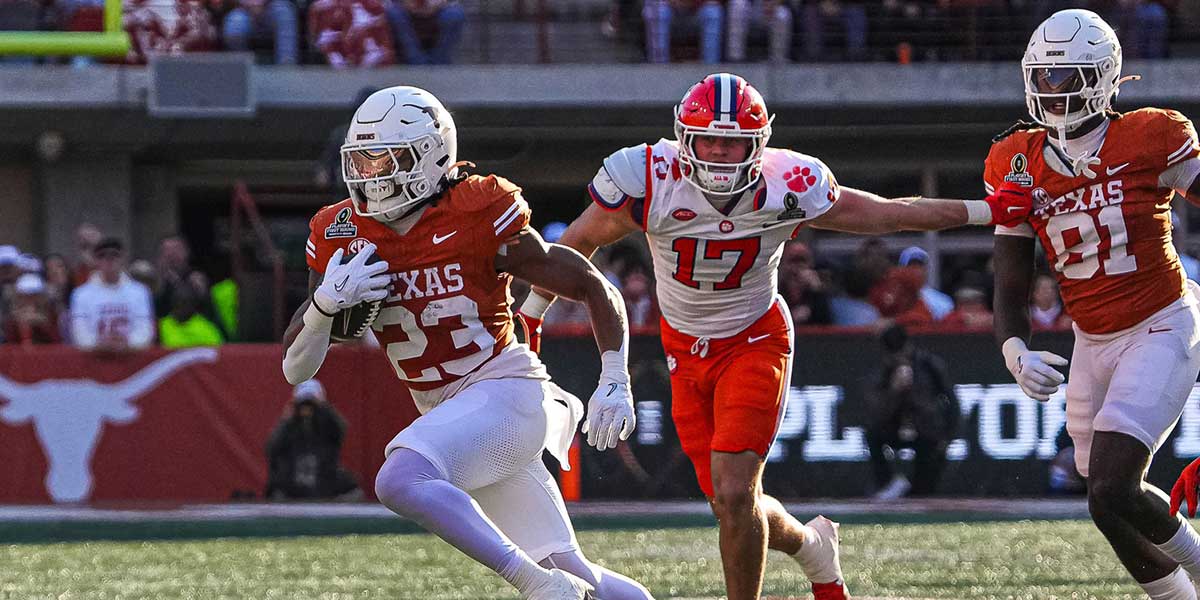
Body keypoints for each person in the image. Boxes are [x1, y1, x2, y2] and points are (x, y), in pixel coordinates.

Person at [515, 72, 1032, 600]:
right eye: (708, 140)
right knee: (730, 502)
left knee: (737, 494)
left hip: (754, 338)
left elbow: (889, 213)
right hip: (683, 347)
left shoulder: (787, 183)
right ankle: (813, 548)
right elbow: (573, 250)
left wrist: (984, 209)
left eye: (732, 141)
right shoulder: (649, 176)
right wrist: (531, 317)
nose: (719, 154)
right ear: (683, 139)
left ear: (758, 144)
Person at [281, 86, 653, 600]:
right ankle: (562, 583)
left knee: (399, 478)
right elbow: (295, 369)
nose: (372, 177)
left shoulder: (477, 208)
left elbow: (589, 283)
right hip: (457, 413)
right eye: (361, 162)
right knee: (582, 576)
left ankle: (536, 586)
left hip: (505, 390)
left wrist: (615, 375)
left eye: (386, 160)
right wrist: (324, 306)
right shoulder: (339, 231)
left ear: (431, 156)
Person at [989, 10, 1200, 599]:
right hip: (1092, 339)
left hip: (1161, 322)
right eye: (1045, 77)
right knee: (1104, 500)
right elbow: (1009, 276)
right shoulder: (1014, 158)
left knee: (1112, 486)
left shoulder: (1150, 135)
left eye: (1071, 76)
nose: (1055, 92)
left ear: (1106, 76)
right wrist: (1013, 349)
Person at [865, 323, 958, 500]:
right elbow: (876, 411)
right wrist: (894, 390)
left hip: (927, 430)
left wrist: (948, 435)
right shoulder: (883, 370)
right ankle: (890, 482)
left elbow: (950, 401)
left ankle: (917, 490)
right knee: (872, 436)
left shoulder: (929, 365)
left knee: (922, 490)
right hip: (893, 428)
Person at [265, 379, 361, 500]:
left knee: (353, 490)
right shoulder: (290, 430)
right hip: (292, 486)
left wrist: (323, 408)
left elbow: (340, 430)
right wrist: (288, 419)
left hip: (325, 483)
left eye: (311, 405)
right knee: (275, 490)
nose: (307, 410)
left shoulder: (327, 428)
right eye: (303, 405)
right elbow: (271, 448)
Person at [68, 237, 156, 353]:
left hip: (131, 358)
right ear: (96, 260)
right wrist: (99, 344)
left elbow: (145, 329)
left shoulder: (140, 292)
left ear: (123, 258)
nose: (109, 260)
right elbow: (79, 332)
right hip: (94, 359)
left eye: (114, 255)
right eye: (102, 256)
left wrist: (127, 343)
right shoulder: (81, 294)